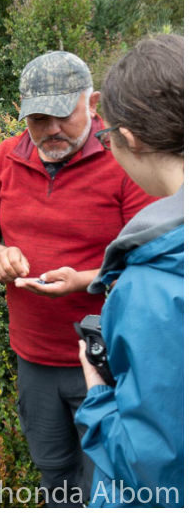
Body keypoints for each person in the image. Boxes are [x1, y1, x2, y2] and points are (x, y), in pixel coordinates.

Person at [0, 51, 156, 506]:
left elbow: (148, 262)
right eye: (37, 118)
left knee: (108, 477)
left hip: (108, 360)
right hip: (35, 360)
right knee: (56, 477)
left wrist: (86, 279)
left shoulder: (125, 159)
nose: (50, 130)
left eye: (62, 115)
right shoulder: (6, 158)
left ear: (93, 102)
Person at [74, 34, 183, 508]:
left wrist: (96, 393)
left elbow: (151, 463)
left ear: (129, 139)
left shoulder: (152, 283)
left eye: (107, 134)